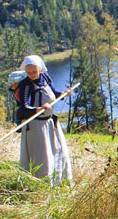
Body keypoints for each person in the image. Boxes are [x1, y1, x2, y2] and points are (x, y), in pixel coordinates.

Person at [9, 55, 74, 184]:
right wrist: (38, 109)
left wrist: (64, 93)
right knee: (42, 158)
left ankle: (59, 182)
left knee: (58, 154)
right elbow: (24, 107)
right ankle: (40, 184)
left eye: (34, 71)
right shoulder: (25, 86)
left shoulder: (45, 77)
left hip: (50, 123)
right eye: (28, 72)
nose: (32, 74)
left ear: (40, 69)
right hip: (36, 127)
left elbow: (54, 93)